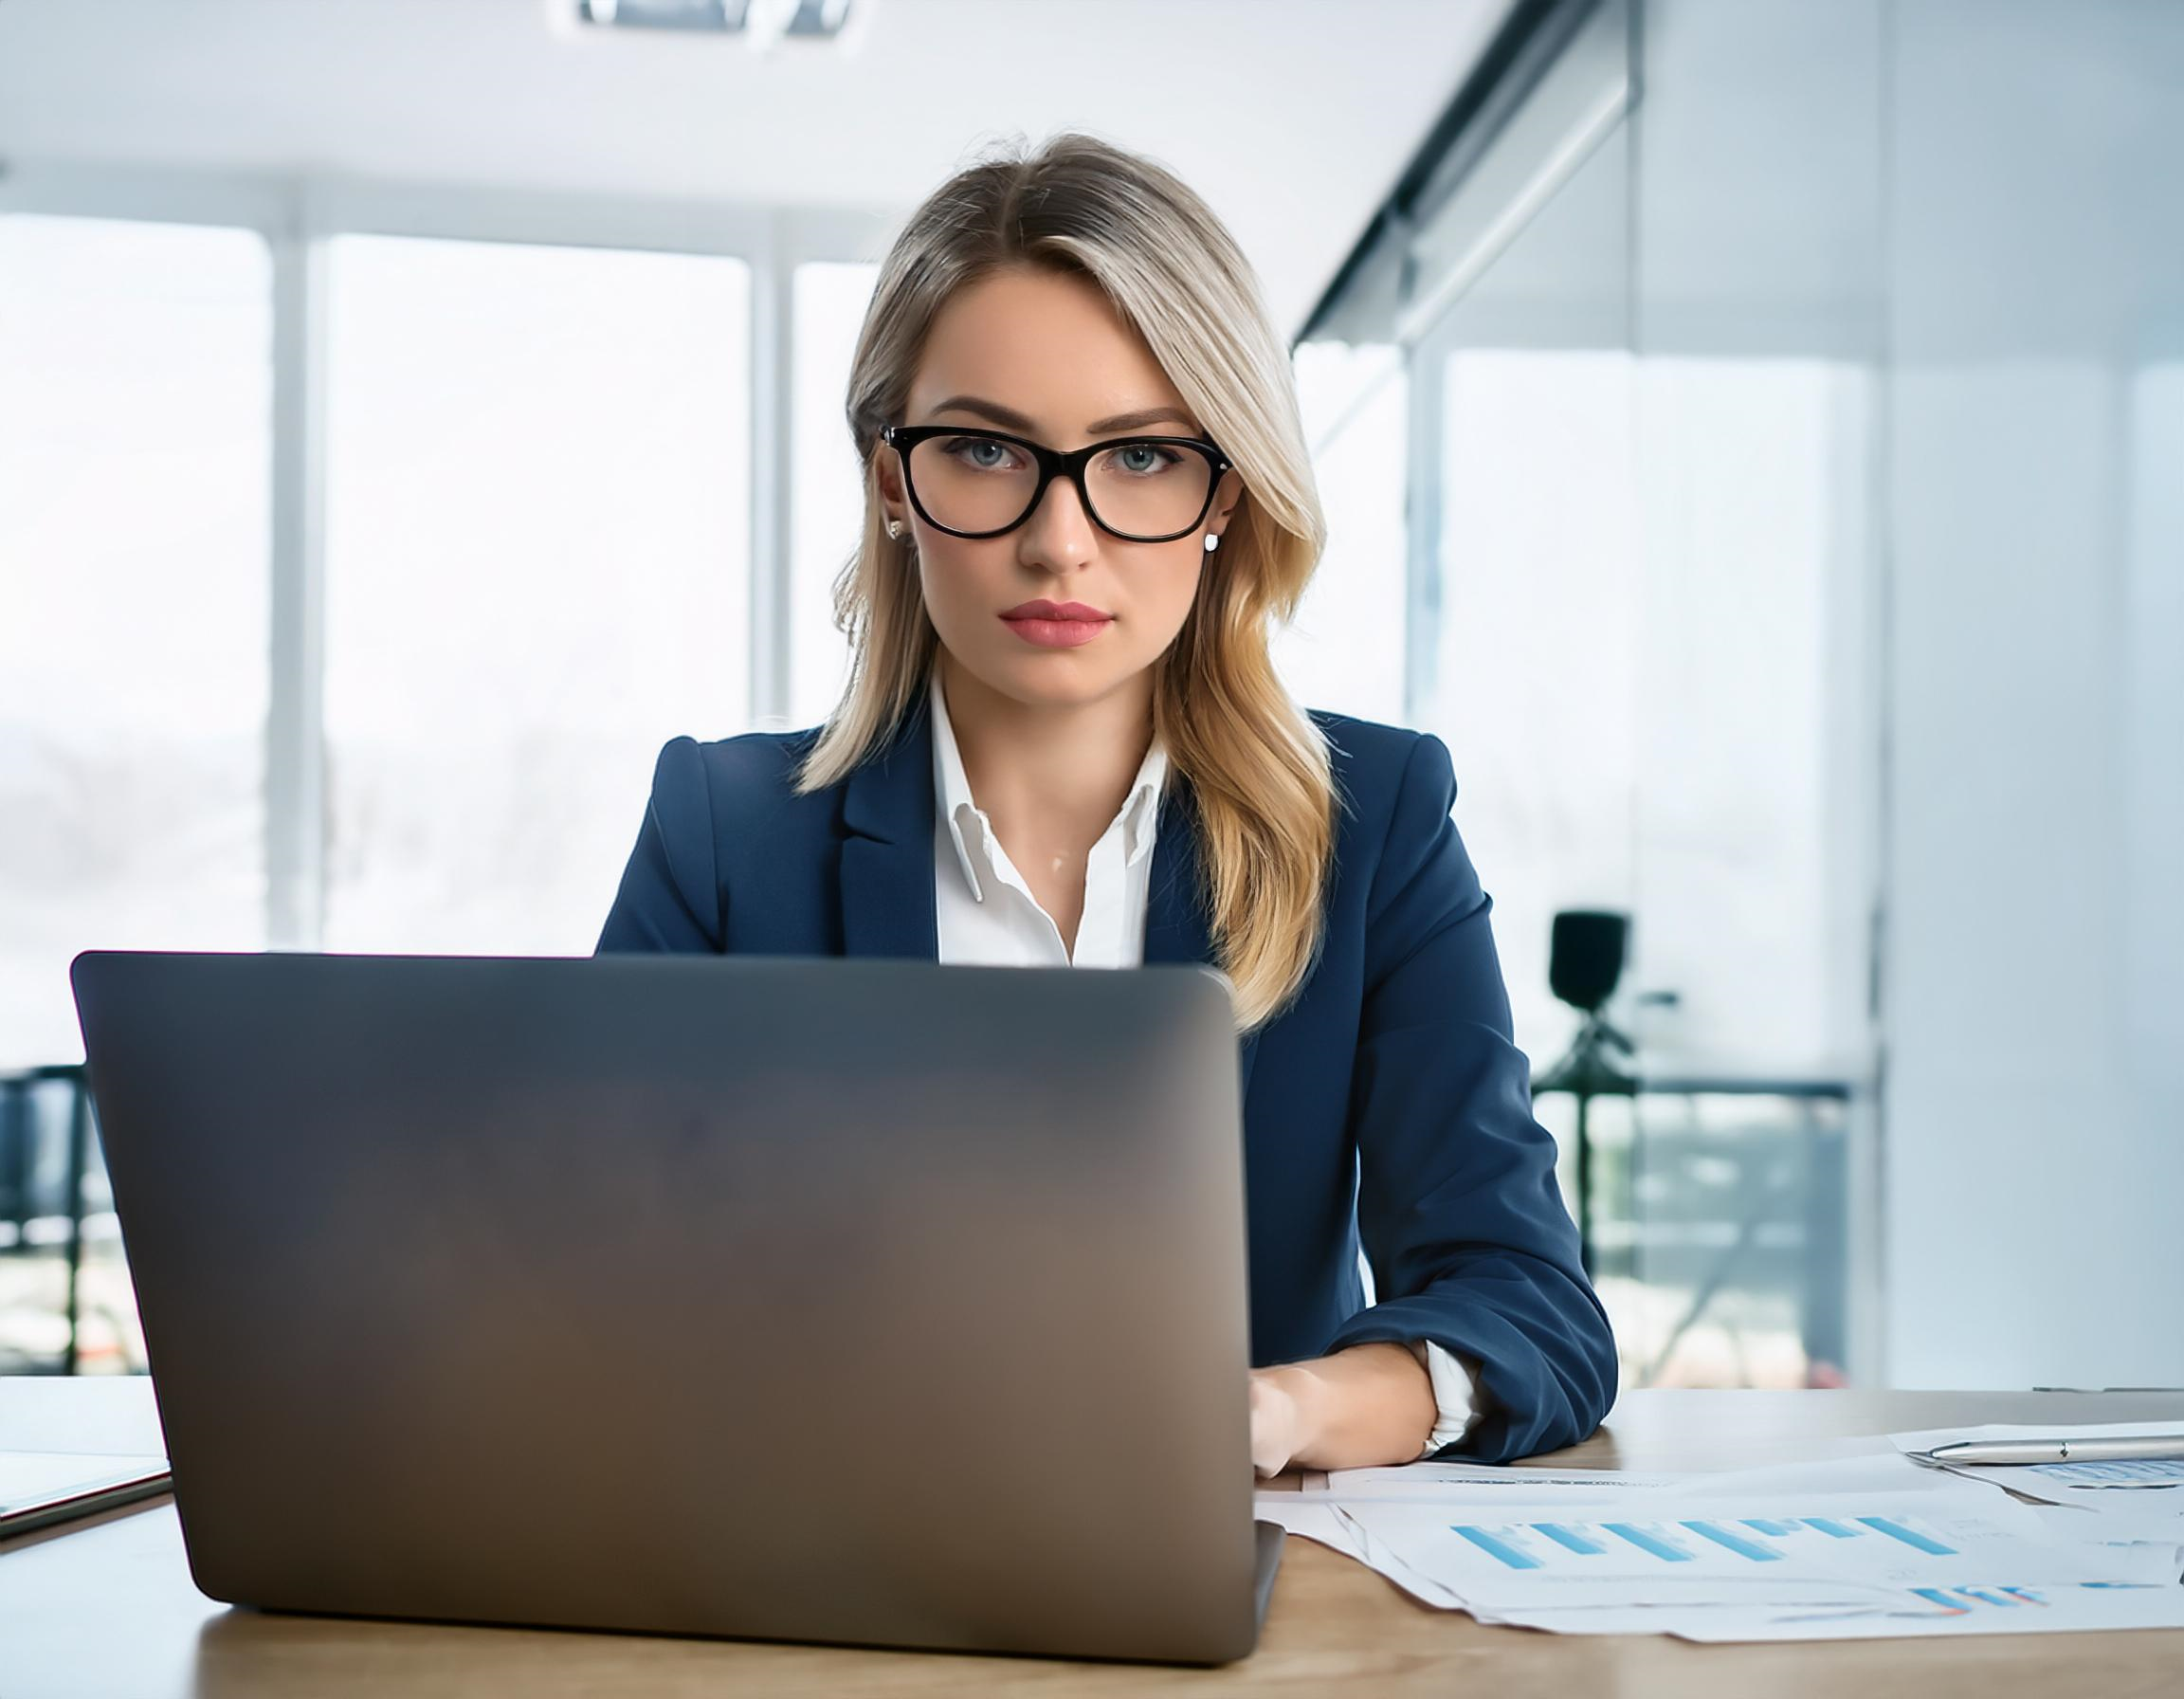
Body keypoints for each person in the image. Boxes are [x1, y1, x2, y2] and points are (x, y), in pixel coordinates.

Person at [596, 130, 1616, 1472]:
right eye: (985, 450)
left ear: (1224, 494)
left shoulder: (1372, 828)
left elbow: (1530, 1305)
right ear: (891, 480)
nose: (1058, 539)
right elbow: (587, 1283)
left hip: (1236, 1598)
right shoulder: (726, 833)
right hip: (823, 1580)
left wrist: (1288, 1410)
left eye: (1139, 458)